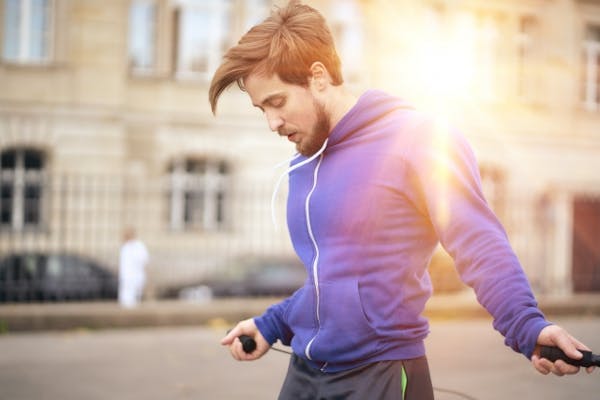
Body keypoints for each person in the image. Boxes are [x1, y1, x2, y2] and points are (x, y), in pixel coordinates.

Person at [209, 1, 595, 398]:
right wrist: (271, 324)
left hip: (380, 374)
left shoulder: (417, 138)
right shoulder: (305, 162)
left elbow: (478, 241)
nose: (272, 122)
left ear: (318, 77)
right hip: (304, 377)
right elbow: (331, 278)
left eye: (277, 102)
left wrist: (527, 325)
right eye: (262, 109)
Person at [118, 227, 149, 308]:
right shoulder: (125, 247)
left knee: (133, 299)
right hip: (126, 277)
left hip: (135, 276)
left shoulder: (138, 246)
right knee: (126, 300)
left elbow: (144, 261)